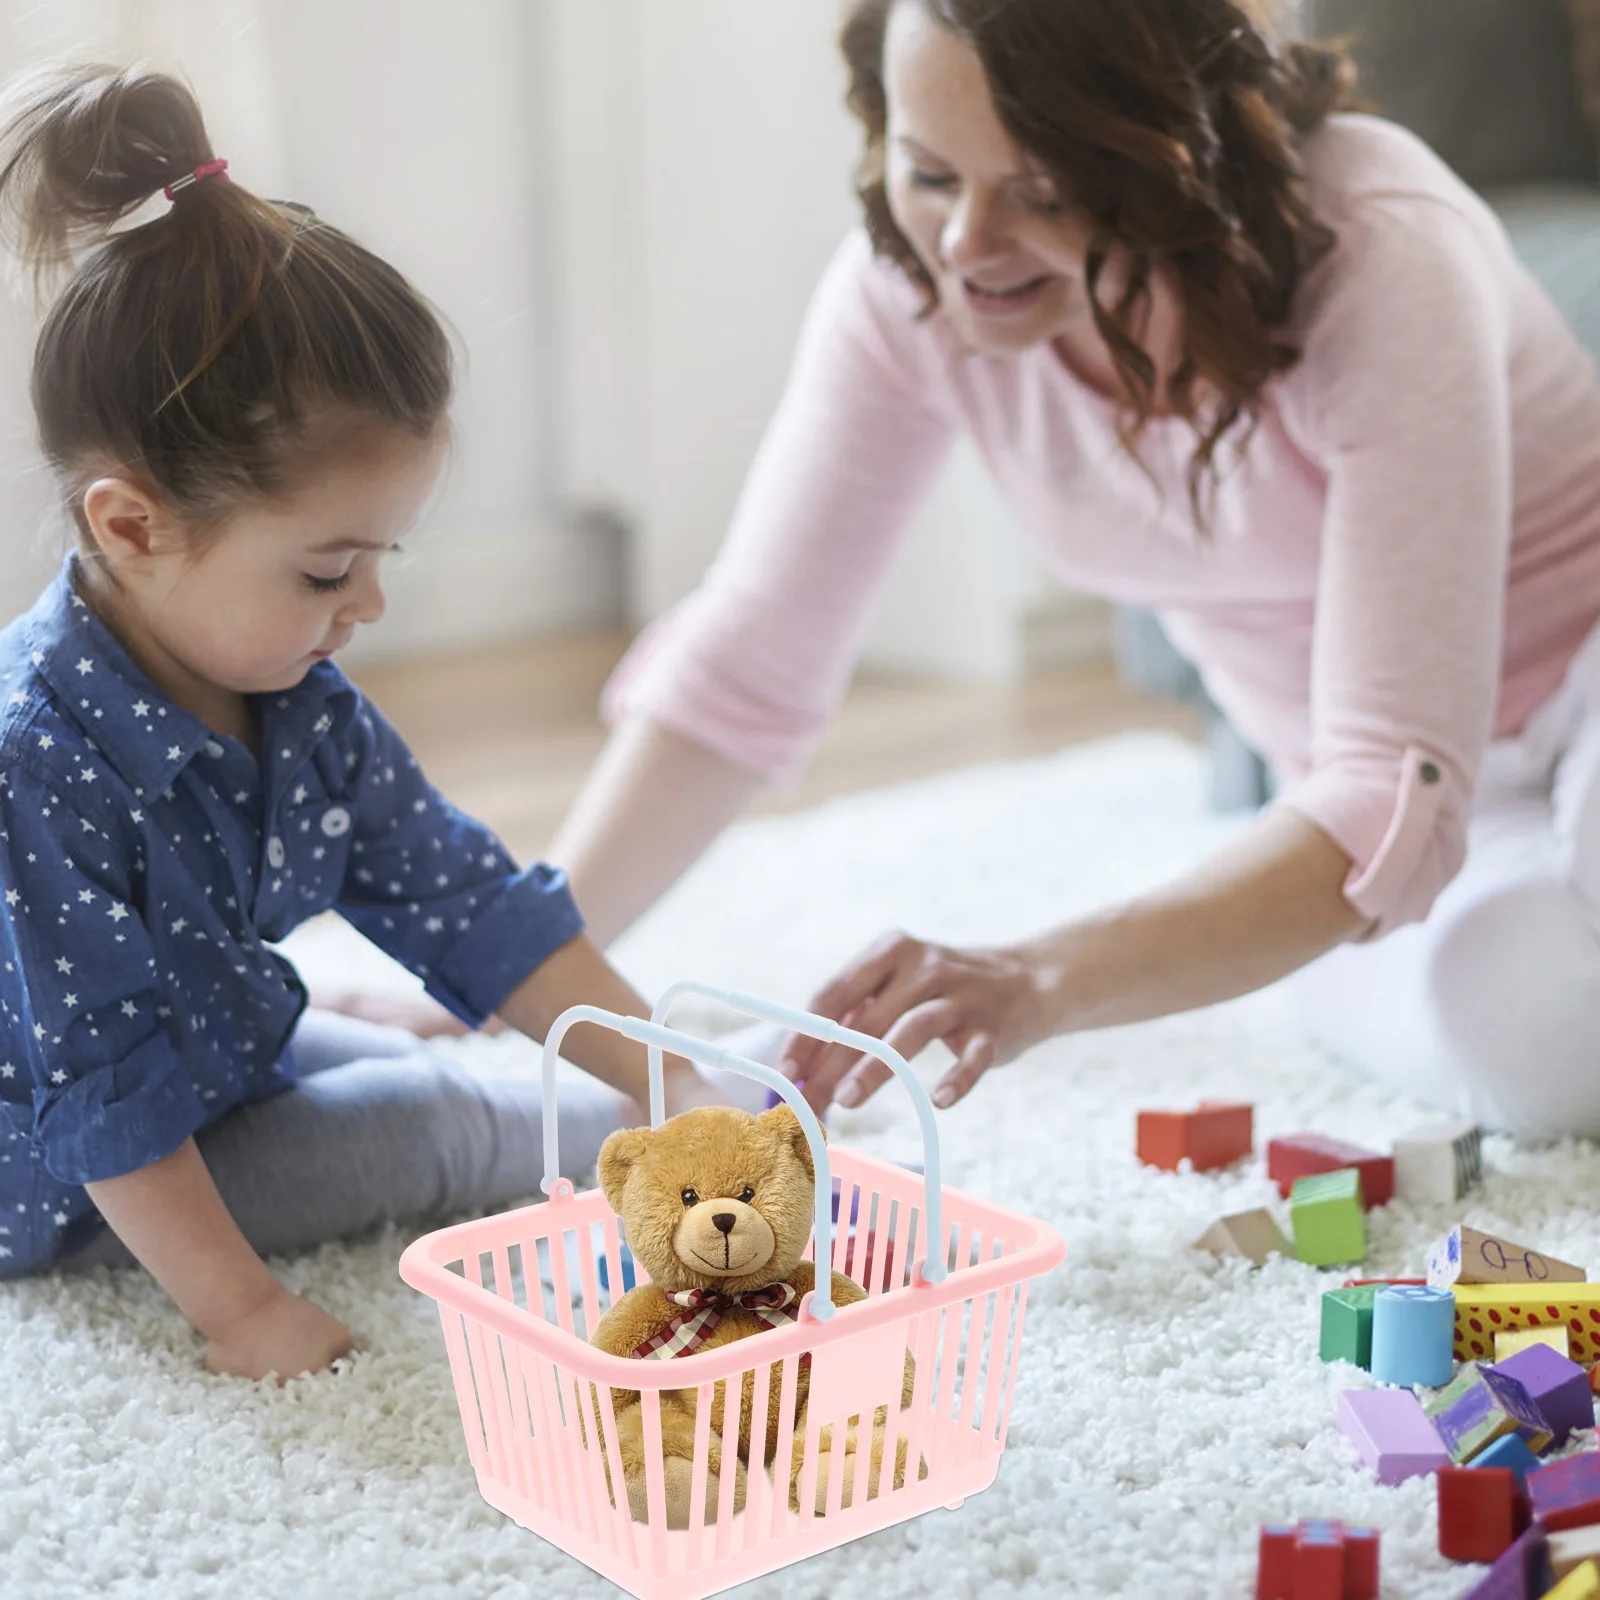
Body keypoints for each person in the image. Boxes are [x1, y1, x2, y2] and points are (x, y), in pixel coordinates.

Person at [538, 0, 1600, 1143]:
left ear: (1181, 158)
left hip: (1564, 689)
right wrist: (515, 962)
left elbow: (1391, 777)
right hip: (1370, 808)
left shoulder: (1374, 244)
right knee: (1539, 1045)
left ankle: (1307, 918)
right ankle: (1292, 925)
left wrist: (1035, 978)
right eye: (929, 173)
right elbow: (748, 659)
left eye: (1043, 193)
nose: (966, 246)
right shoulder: (909, 294)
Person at [0, 64, 746, 1381]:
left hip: (218, 1040)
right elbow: (105, 1095)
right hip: (57, 1166)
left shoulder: (295, 696)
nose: (372, 605)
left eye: (383, 556)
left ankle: (682, 1107)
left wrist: (669, 1077)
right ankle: (623, 1135)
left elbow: (472, 905)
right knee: (425, 1123)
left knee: (419, 1036)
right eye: (329, 570)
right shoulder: (34, 767)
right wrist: (243, 1315)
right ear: (131, 525)